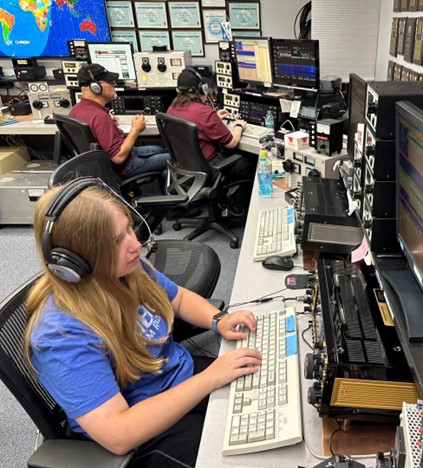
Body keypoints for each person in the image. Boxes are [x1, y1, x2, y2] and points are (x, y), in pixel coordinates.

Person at [24, 179, 261, 467]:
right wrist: (210, 378)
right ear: (77, 261)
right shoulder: (60, 335)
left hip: (175, 377)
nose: (136, 244)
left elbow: (179, 299)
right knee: (239, 453)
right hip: (141, 433)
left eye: (128, 229)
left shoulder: (129, 271)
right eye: (116, 241)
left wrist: (218, 321)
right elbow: (118, 433)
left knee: (257, 395)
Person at [167, 68, 256, 214]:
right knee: (249, 162)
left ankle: (226, 202)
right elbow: (232, 142)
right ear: (202, 88)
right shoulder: (203, 112)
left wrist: (214, 117)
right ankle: (239, 207)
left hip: (184, 171)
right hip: (210, 169)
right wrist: (239, 125)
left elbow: (197, 125)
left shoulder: (173, 107)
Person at [69, 63, 170, 180]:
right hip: (121, 168)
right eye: (110, 81)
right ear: (96, 86)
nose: (114, 84)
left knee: (158, 149)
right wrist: (135, 130)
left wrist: (109, 125)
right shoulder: (99, 118)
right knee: (174, 159)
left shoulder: (77, 110)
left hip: (97, 166)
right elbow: (118, 157)